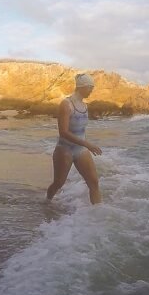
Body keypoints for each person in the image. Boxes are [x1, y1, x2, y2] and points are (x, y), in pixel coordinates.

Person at [46, 73, 103, 204]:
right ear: (82, 87)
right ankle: (47, 203)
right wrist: (88, 144)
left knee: (94, 183)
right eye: (90, 88)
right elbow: (63, 132)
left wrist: (85, 145)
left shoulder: (85, 106)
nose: (91, 91)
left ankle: (98, 216)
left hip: (81, 150)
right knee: (59, 183)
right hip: (64, 149)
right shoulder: (66, 104)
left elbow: (81, 131)